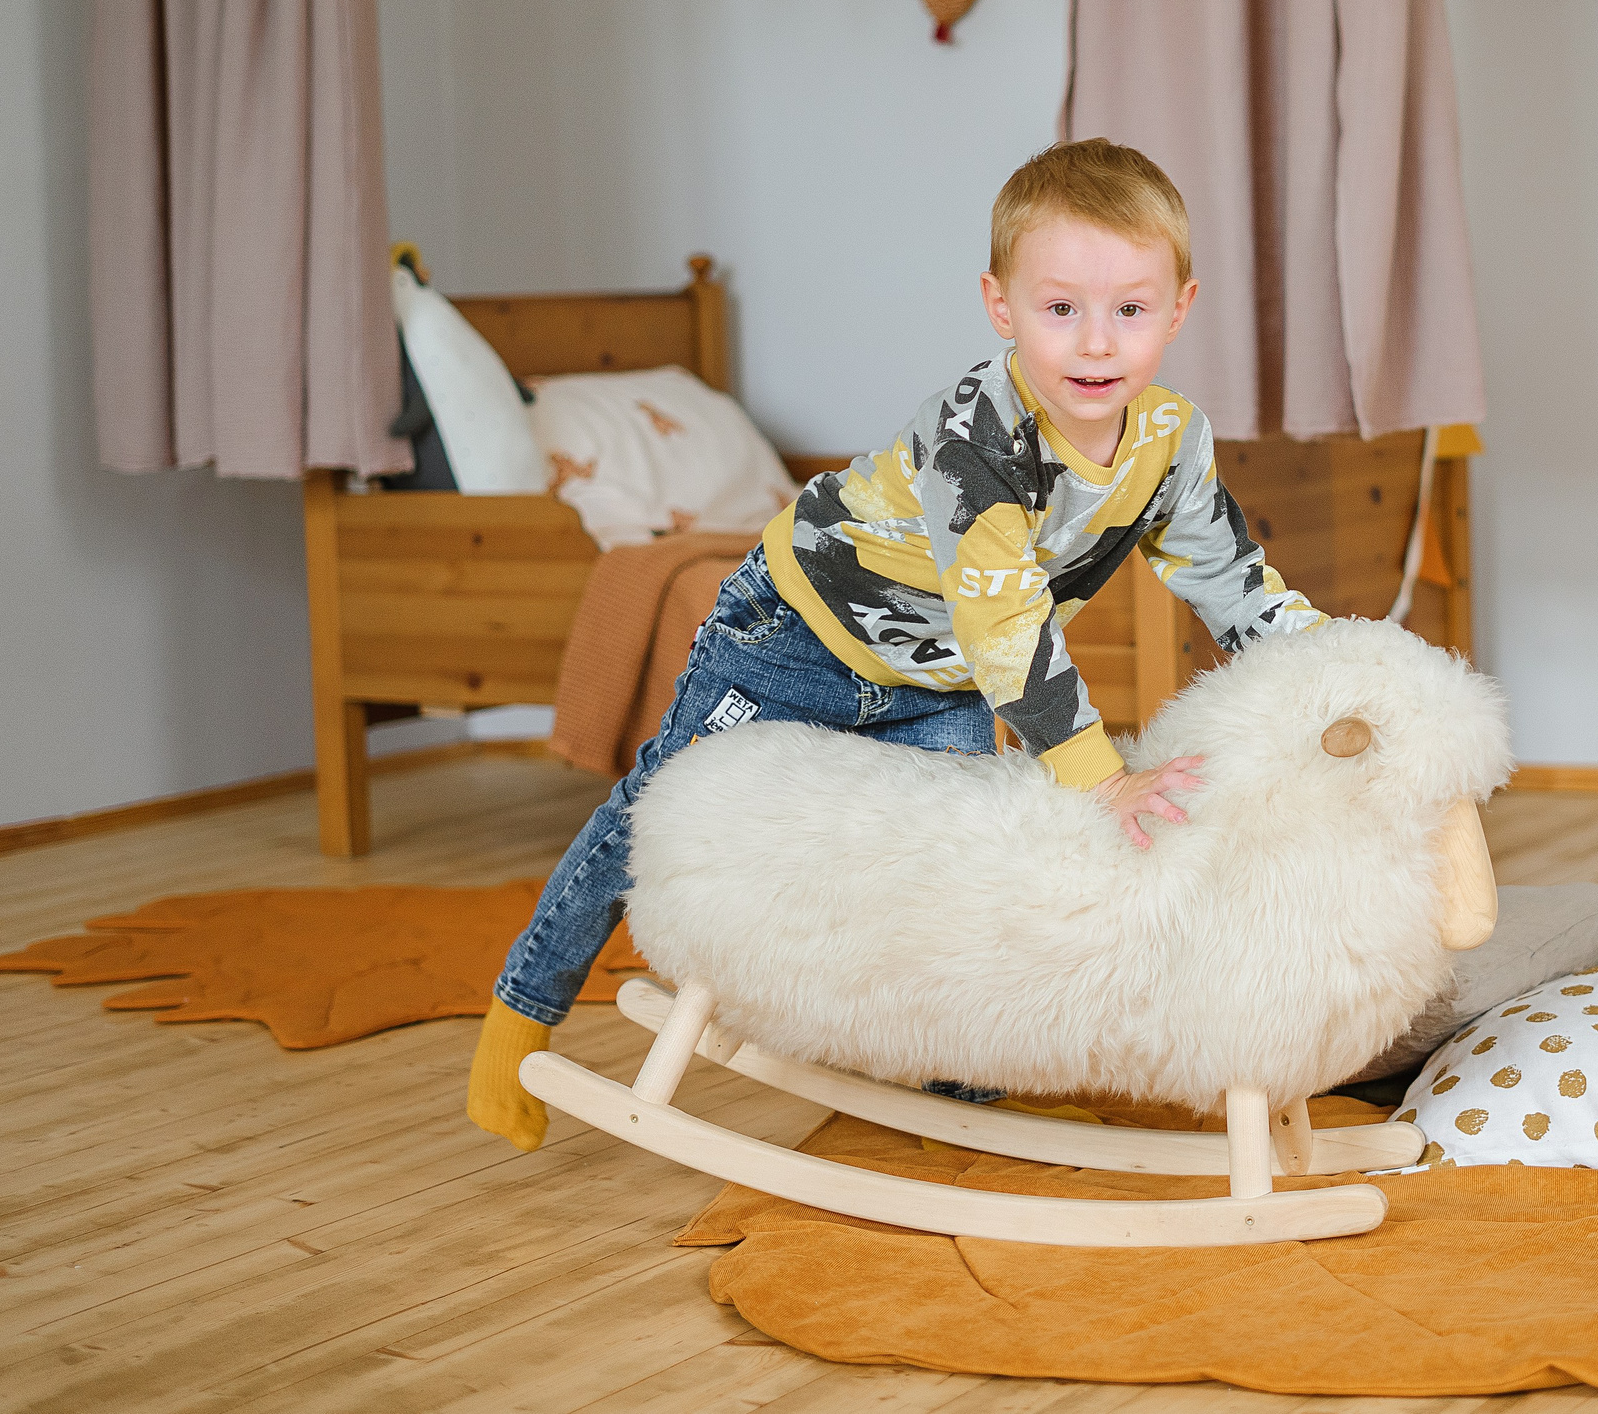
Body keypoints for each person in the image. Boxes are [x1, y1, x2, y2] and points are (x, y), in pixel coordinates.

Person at [466, 138, 1330, 1150]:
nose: (1096, 343)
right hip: (800, 633)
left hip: (937, 680)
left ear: (1179, 309)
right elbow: (1006, 624)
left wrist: (1336, 671)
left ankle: (963, 1087)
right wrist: (1100, 778)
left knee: (957, 870)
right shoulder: (978, 438)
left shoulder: (1171, 441)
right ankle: (523, 1007)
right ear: (1001, 305)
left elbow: (1232, 579)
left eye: (1129, 310)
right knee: (655, 804)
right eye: (1061, 308)